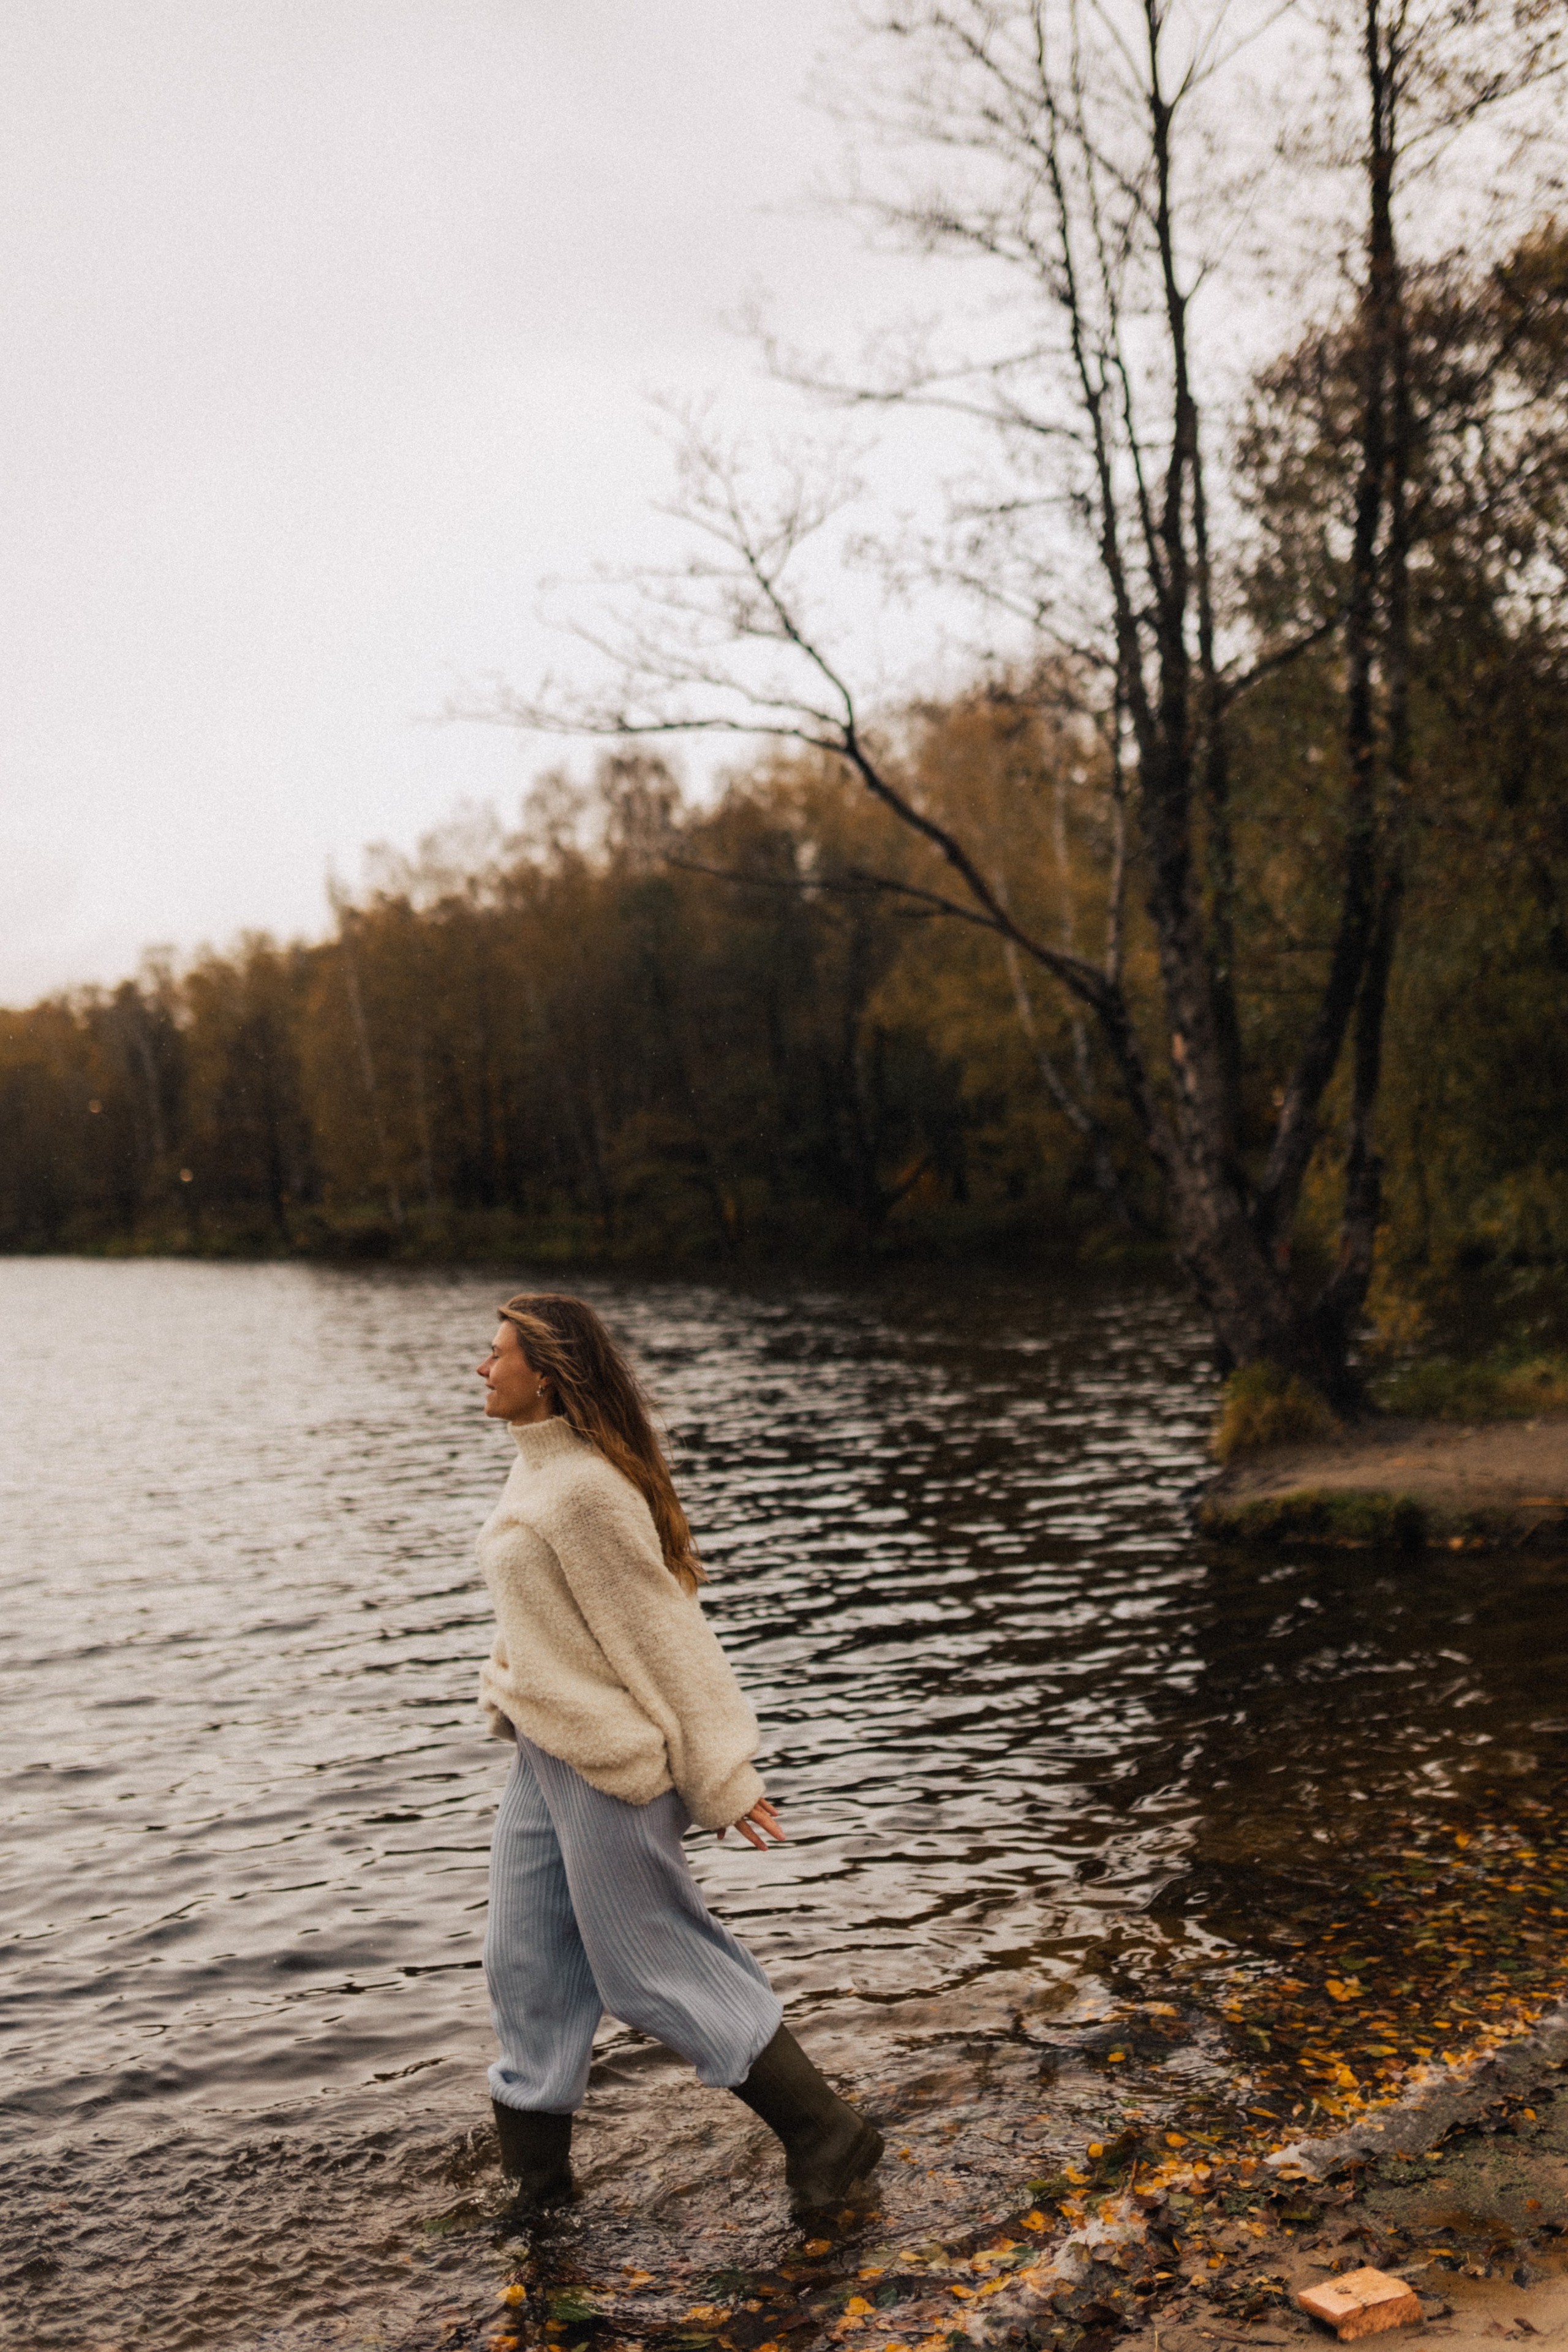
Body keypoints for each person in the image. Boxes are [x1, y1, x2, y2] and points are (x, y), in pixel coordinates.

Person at [472, 1291, 884, 2217]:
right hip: (545, 1752)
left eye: (497, 1354)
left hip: (610, 1763)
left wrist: (723, 1776)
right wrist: (511, 1683)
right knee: (525, 1964)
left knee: (646, 1968)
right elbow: (544, 1618)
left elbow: (665, 1636)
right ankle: (538, 2192)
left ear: (546, 1373)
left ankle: (828, 2134)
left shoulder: (583, 1492)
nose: (482, 1367)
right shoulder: (537, 1471)